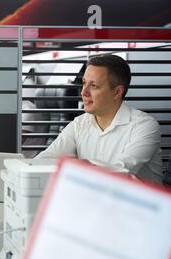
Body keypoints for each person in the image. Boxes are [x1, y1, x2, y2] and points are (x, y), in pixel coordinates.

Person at [36, 54, 163, 183]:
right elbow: (46, 159)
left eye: (94, 86)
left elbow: (120, 172)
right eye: (84, 83)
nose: (83, 92)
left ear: (117, 92)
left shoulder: (144, 126)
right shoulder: (79, 124)